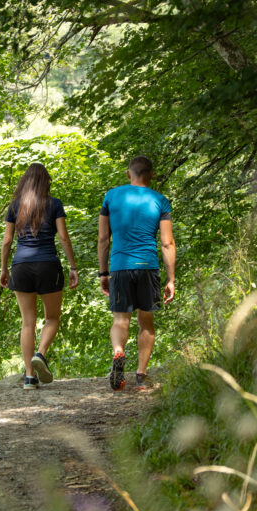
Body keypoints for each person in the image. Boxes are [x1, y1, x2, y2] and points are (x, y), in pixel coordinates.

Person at [97, 155, 175, 391]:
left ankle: (118, 351)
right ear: (151, 175)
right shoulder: (160, 201)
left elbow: (103, 238)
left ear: (128, 174)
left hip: (120, 266)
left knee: (120, 320)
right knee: (146, 323)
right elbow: (167, 243)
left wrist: (103, 273)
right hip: (147, 267)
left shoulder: (111, 197)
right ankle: (141, 375)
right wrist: (171, 279)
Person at [0, 163, 79, 389]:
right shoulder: (54, 204)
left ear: (25, 182)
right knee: (52, 318)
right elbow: (63, 237)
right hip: (48, 265)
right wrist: (73, 267)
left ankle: (29, 376)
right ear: (46, 182)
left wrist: (4, 268)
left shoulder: (15, 206)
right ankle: (40, 354)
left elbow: (7, 241)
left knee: (27, 323)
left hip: (21, 265)